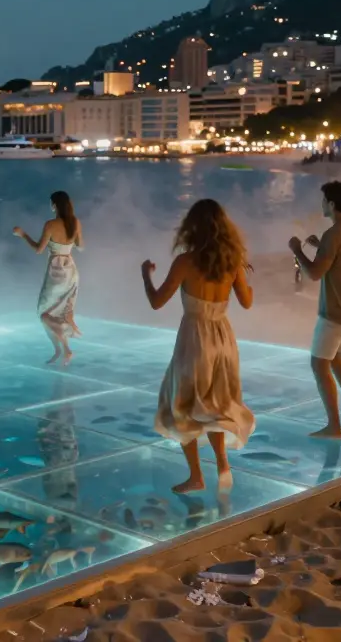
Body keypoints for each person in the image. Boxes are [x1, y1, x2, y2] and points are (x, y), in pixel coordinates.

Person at [143, 199, 254, 493]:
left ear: (192, 227)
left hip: (195, 339)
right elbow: (246, 301)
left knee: (183, 406)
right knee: (216, 406)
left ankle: (196, 476)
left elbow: (156, 302)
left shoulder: (185, 262)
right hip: (223, 339)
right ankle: (223, 466)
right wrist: (246, 282)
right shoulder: (232, 263)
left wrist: (146, 276)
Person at [289, 181, 341, 439]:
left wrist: (297, 251)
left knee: (319, 364)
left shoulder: (333, 234)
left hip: (336, 312)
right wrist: (321, 249)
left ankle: (334, 426)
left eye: (323, 200)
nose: (321, 205)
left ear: (332, 204)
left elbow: (314, 273)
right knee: (335, 359)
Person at [13, 191, 82, 365]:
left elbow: (38, 249)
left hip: (56, 271)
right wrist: (68, 244)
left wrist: (23, 235)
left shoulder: (51, 224)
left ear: (54, 205)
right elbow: (81, 247)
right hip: (71, 271)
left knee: (44, 313)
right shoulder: (75, 223)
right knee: (54, 314)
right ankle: (61, 350)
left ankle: (65, 350)